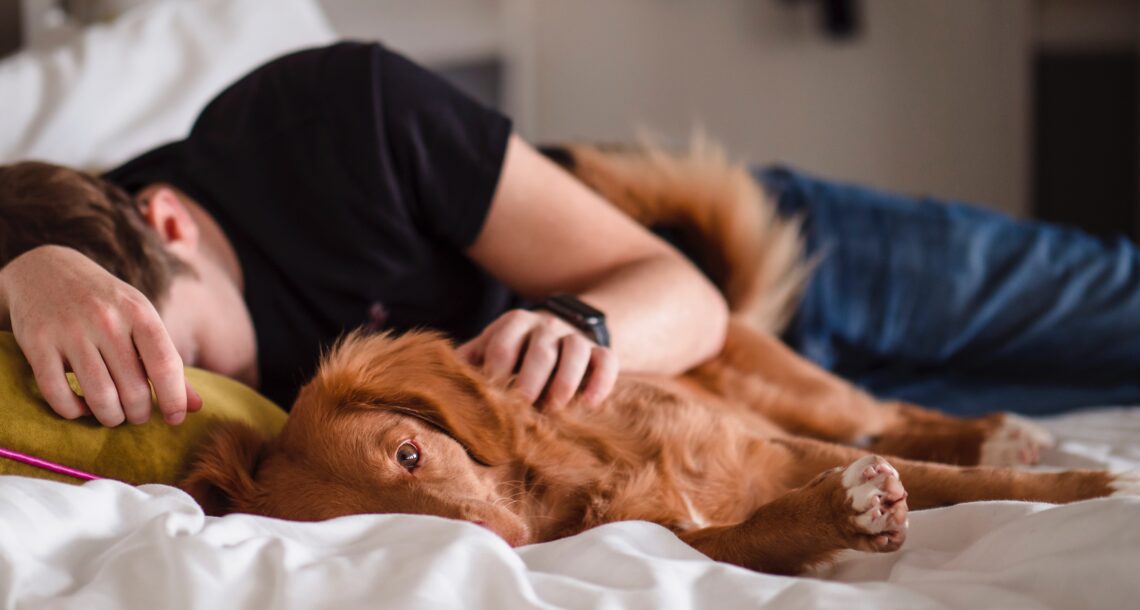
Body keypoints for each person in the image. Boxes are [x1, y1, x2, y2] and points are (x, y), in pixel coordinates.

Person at [0, 42, 728, 428]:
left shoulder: (345, 113)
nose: (200, 400)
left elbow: (691, 295)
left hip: (696, 219)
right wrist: (22, 272)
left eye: (187, 357)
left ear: (170, 224)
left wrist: (577, 328)